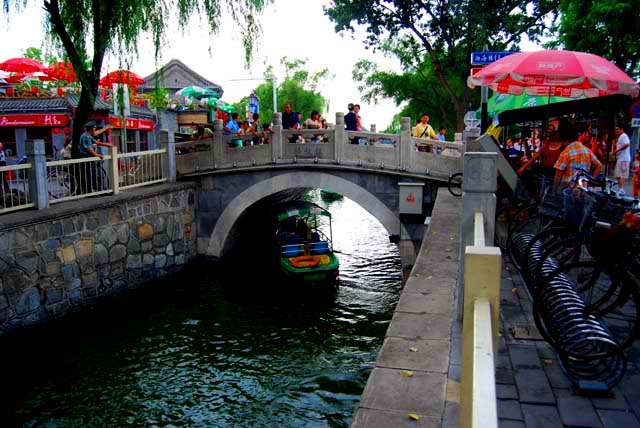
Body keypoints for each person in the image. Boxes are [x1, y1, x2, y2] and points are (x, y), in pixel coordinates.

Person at [553, 119, 602, 190]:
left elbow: (558, 174)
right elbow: (599, 166)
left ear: (564, 140)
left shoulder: (566, 152)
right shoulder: (587, 150)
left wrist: (554, 190)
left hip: (567, 189)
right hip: (582, 188)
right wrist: (590, 180)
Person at [77, 121, 113, 193]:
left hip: (90, 157)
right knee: (90, 175)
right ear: (92, 129)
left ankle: (97, 190)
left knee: (93, 174)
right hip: (86, 157)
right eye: (94, 128)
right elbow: (88, 148)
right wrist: (97, 155)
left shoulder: (89, 136)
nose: (95, 129)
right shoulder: (85, 136)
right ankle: (92, 191)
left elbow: (97, 142)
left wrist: (109, 145)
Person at [612, 125, 631, 192]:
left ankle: (621, 189)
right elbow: (620, 146)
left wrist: (617, 151)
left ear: (621, 129)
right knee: (619, 174)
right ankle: (621, 189)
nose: (616, 131)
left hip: (623, 158)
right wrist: (615, 144)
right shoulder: (620, 137)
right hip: (622, 158)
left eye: (617, 129)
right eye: (615, 129)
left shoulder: (623, 136)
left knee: (620, 174)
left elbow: (627, 144)